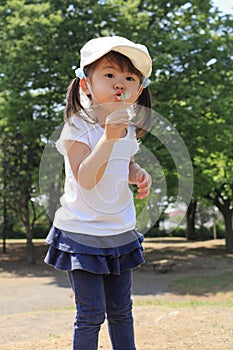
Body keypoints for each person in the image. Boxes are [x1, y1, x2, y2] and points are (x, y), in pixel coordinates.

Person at [44, 35, 153, 350]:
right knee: (91, 313)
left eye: (129, 78)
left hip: (118, 231)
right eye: (109, 74)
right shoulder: (77, 127)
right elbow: (86, 179)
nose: (120, 83)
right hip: (82, 234)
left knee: (122, 310)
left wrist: (138, 174)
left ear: (138, 92)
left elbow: (125, 164)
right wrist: (108, 138)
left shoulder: (128, 129)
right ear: (86, 85)